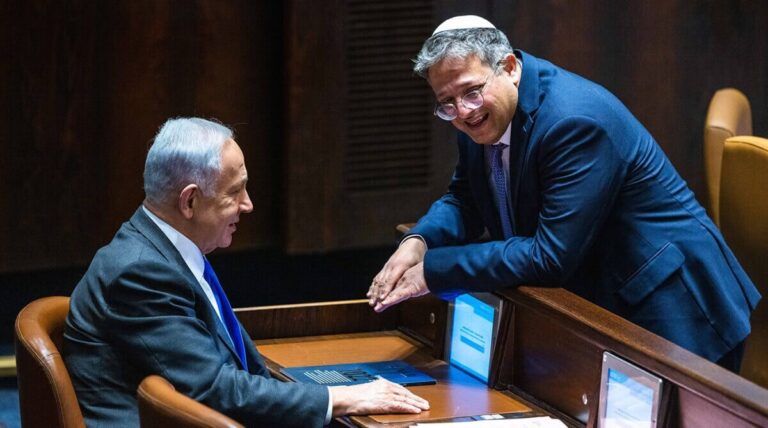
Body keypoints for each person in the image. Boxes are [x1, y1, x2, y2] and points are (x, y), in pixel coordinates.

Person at [368, 15, 760, 372]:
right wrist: (419, 242)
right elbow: (464, 198)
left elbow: (549, 256)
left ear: (509, 67)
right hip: (602, 298)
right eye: (447, 104)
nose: (464, 112)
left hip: (675, 309)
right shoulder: (482, 115)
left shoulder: (574, 122)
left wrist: (433, 271)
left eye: (471, 93)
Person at [63, 118, 428, 427]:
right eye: (234, 192)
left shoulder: (164, 250)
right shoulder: (140, 272)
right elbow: (212, 389)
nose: (248, 204)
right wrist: (341, 398)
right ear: (189, 201)